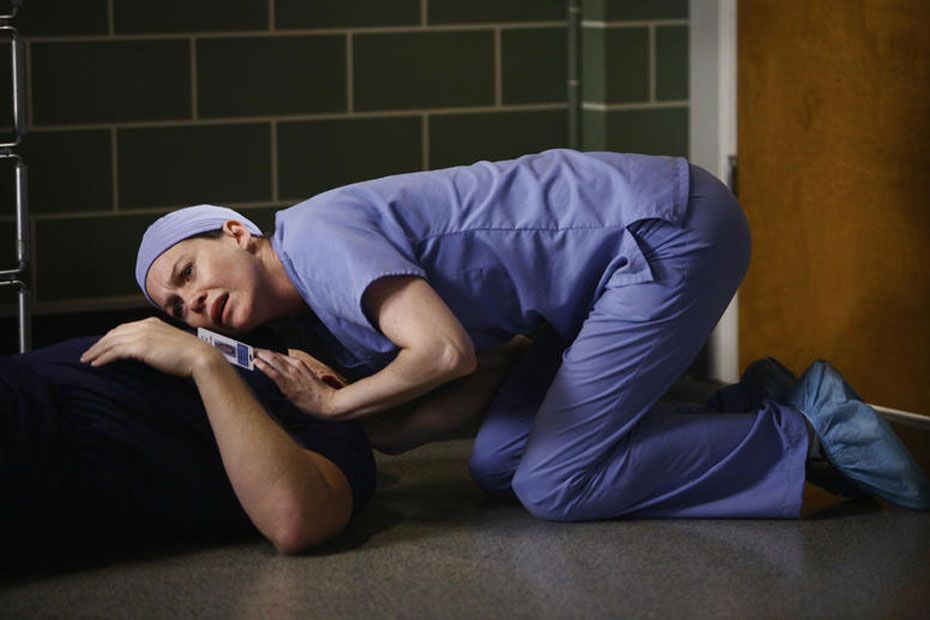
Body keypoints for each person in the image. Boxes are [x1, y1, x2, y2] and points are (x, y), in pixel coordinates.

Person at [132, 148, 930, 521]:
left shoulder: (317, 240)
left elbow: (445, 354)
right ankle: (754, 408)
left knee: (555, 486)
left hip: (659, 234)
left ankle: (802, 433)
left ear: (236, 232)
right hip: (587, 292)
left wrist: (335, 409)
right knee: (500, 464)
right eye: (177, 308)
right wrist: (354, 415)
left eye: (188, 272)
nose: (193, 303)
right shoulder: (322, 300)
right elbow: (460, 388)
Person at [2, 323, 376, 554]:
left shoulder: (331, 427)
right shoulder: (243, 345)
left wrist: (204, 361)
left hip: (44, 432)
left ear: (332, 378)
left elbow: (294, 519)